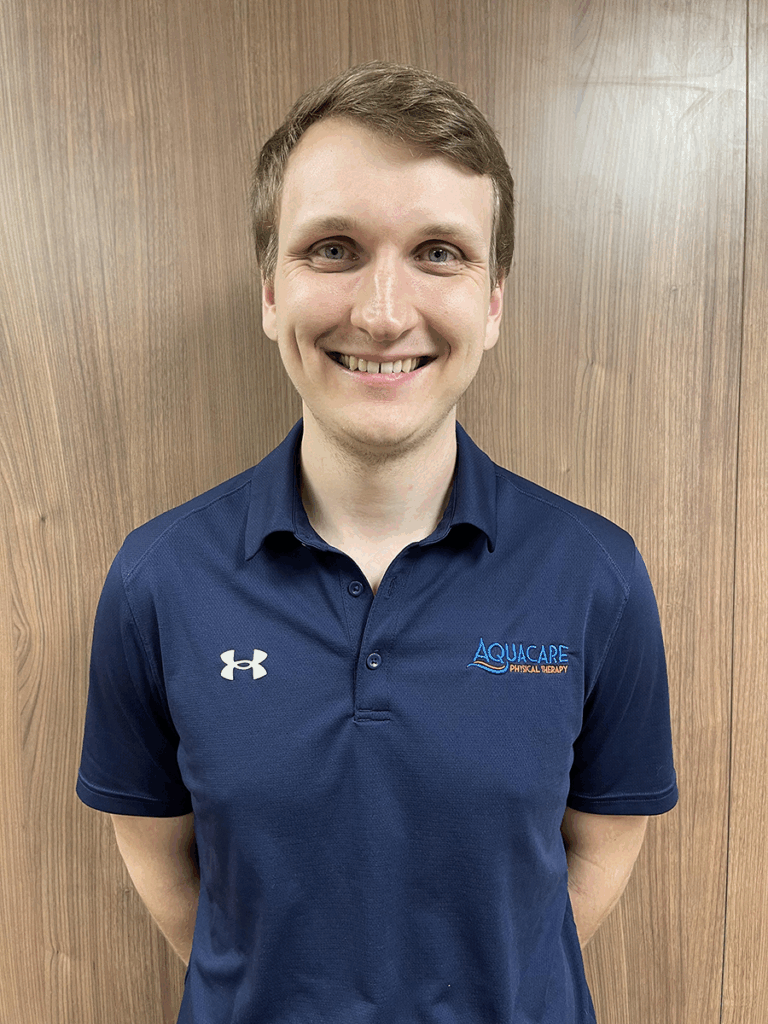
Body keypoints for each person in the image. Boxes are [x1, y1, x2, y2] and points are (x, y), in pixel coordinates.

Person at [76, 60, 678, 1024]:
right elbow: (157, 851)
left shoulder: (596, 574)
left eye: (440, 252)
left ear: (493, 300)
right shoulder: (158, 580)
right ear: (270, 290)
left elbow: (603, 843)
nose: (384, 312)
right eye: (334, 249)